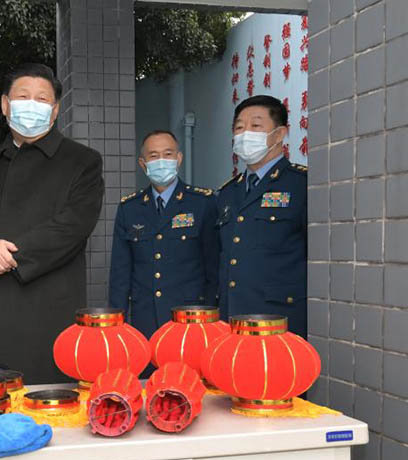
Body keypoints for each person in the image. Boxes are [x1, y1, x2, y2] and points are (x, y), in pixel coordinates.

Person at [0, 63, 104, 384]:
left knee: (48, 415)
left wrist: (3, 258)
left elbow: (72, 226)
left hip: (46, 312)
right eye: (23, 96)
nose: (32, 105)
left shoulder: (82, 162)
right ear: (6, 105)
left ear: (55, 109)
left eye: (42, 99)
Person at [109, 130, 219, 338]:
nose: (161, 161)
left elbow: (213, 269)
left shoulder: (202, 203)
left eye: (168, 154)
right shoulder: (129, 208)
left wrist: (211, 316)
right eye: (153, 156)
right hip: (145, 319)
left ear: (178, 159)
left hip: (191, 320)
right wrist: (116, 326)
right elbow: (120, 275)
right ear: (143, 164)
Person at [216, 95, 307, 338]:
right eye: (239, 127)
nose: (245, 134)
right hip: (233, 320)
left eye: (255, 126)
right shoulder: (227, 192)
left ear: (279, 134)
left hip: (280, 321)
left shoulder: (302, 185)